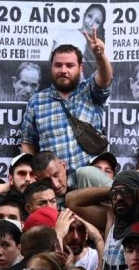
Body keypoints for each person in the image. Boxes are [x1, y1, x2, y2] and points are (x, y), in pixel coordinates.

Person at [21, 40, 113, 173]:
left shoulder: (90, 91)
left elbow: (105, 80)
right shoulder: (36, 102)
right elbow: (28, 144)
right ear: (51, 67)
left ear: (80, 68)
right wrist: (34, 176)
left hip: (89, 182)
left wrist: (100, 56)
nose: (63, 70)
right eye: (58, 65)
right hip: (53, 183)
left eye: (70, 65)